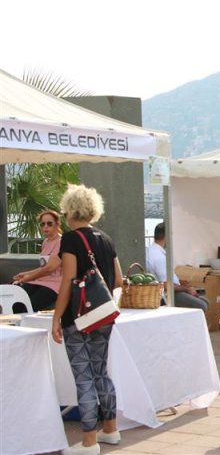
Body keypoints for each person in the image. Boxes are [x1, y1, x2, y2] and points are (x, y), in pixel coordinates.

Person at [52, 185, 123, 455]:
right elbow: (117, 281)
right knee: (101, 372)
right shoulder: (106, 238)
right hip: (104, 315)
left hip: (78, 319)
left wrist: (56, 317)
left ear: (71, 210)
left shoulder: (70, 240)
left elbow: (68, 280)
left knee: (83, 377)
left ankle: (89, 442)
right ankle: (110, 430)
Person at [146, 222, 208, 311]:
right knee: (202, 305)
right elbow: (166, 285)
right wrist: (187, 289)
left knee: (205, 301)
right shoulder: (158, 256)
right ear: (166, 236)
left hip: (172, 290)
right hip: (169, 295)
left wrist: (179, 282)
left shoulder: (153, 250)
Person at [12, 209, 63, 312]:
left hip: (55, 285)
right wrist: (24, 274)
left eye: (49, 224)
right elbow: (43, 267)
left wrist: (28, 278)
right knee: (15, 298)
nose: (45, 227)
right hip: (40, 281)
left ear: (57, 224)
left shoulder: (62, 242)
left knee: (29, 307)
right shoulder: (45, 242)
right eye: (42, 224)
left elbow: (50, 268)